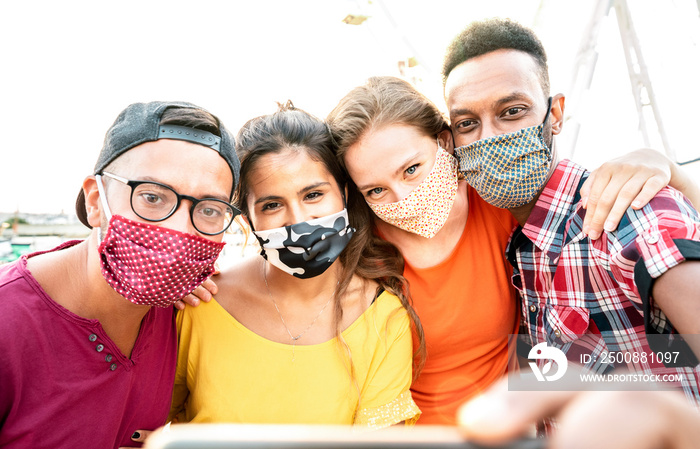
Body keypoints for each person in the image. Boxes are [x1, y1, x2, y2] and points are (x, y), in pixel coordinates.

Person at [325, 74, 700, 424]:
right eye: (375, 190)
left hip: (509, 430)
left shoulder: (503, 206)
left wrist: (668, 167)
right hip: (414, 436)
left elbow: (591, 206)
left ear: (443, 142)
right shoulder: (356, 250)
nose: (402, 197)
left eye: (411, 169)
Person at [442, 18, 700, 402]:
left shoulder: (624, 213)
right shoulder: (514, 242)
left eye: (512, 111)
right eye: (467, 123)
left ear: (555, 114)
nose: (490, 137)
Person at [0, 101, 240, 449]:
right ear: (96, 200)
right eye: (152, 197)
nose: (179, 231)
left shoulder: (180, 310)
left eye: (209, 210)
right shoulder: (9, 323)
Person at [168, 102, 424, 428]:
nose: (299, 220)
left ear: (344, 194)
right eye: (272, 204)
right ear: (248, 219)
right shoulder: (201, 302)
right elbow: (142, 421)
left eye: (313, 195)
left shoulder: (383, 317)